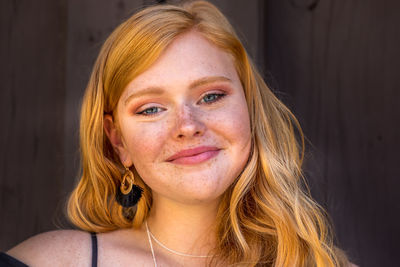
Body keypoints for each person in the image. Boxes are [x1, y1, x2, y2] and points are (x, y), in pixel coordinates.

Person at [1, 1, 353, 266]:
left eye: (211, 96)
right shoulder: (54, 262)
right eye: (151, 108)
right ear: (118, 141)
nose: (187, 125)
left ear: (250, 110)